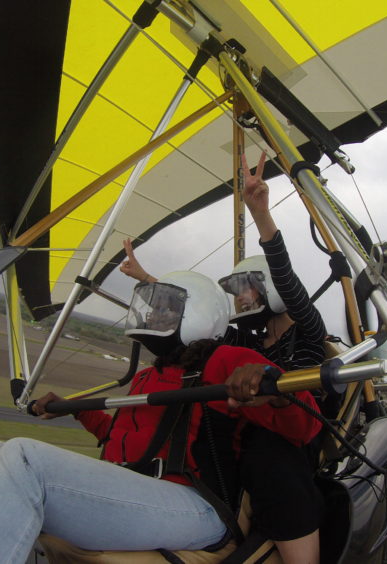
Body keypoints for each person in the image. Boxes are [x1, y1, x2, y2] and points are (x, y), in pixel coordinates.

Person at [0, 271, 321, 564]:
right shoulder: (150, 375)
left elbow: (306, 424)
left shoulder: (226, 361)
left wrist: (271, 385)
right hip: (137, 488)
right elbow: (124, 432)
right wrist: (75, 409)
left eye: (168, 308)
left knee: (24, 460)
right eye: (154, 307)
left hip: (195, 507)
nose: (155, 314)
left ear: (199, 312)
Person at [119, 152, 328, 563]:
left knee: (270, 456)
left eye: (249, 287)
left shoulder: (309, 331)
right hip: (249, 420)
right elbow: (197, 314)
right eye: (238, 290)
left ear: (271, 287)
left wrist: (261, 214)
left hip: (296, 430)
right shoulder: (244, 339)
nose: (242, 297)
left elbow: (285, 277)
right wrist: (149, 282)